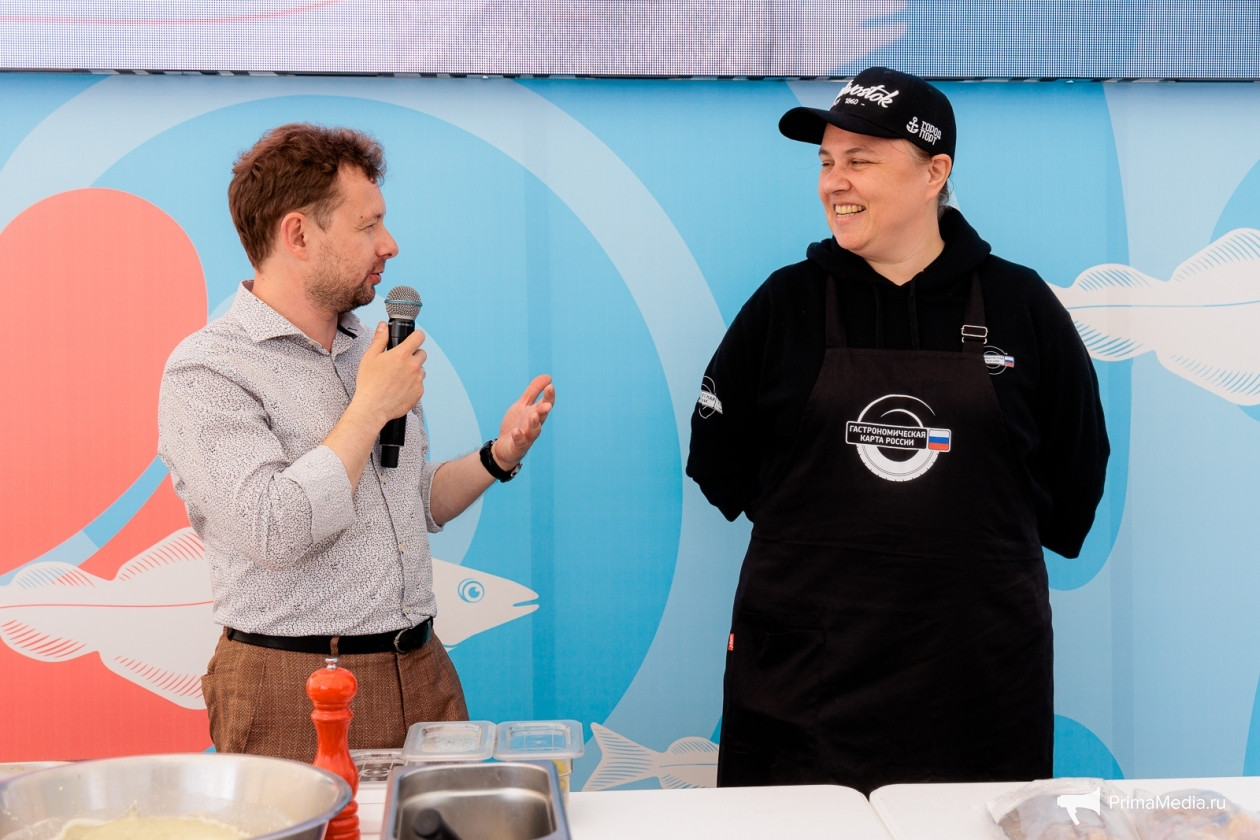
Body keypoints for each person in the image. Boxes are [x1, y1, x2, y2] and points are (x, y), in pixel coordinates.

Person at [686, 67, 1108, 793]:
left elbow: (1075, 476)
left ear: (934, 173)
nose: (835, 183)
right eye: (827, 162)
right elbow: (719, 463)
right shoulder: (784, 306)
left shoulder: (1021, 306)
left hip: (978, 683)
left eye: (860, 160)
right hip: (803, 684)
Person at [157, 123, 555, 760]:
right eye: (368, 225)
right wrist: (370, 407)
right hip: (292, 687)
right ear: (298, 236)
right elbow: (274, 528)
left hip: (422, 669)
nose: (390, 245)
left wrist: (497, 456)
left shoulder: (369, 350)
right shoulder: (208, 369)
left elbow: (411, 502)